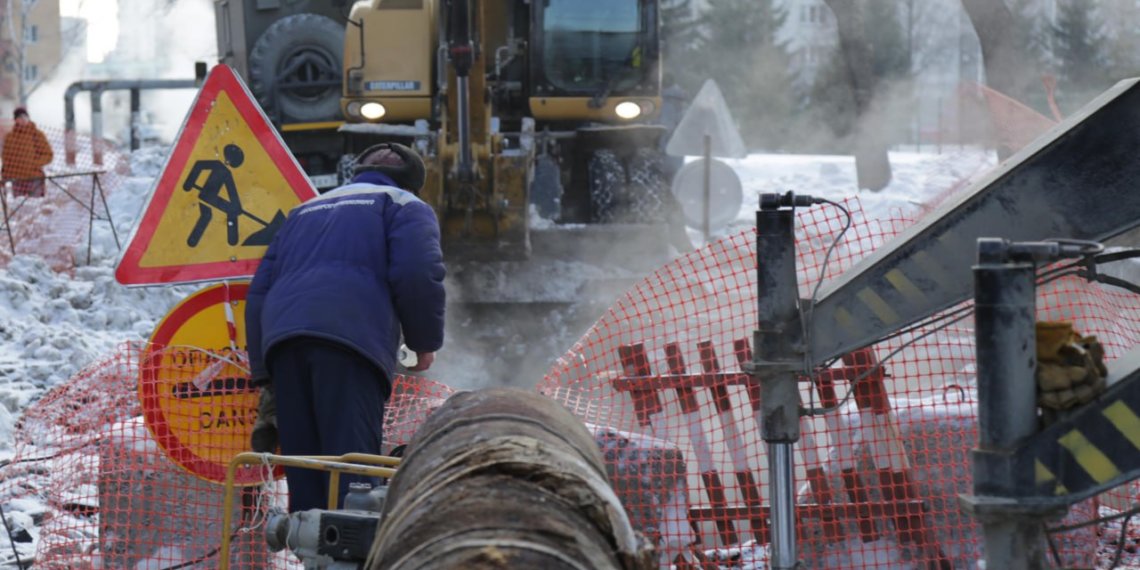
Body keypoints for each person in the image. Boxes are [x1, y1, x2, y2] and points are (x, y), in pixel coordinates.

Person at [245, 142, 446, 513]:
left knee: (304, 470)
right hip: (350, 343)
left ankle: (310, 555)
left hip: (284, 344)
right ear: (412, 182)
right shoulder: (404, 205)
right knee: (352, 470)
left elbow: (258, 293)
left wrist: (263, 370)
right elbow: (418, 274)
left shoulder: (302, 212)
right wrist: (423, 342)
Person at [2, 107, 54, 197]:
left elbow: (48, 154)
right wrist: (4, 176)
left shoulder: (37, 135)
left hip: (34, 177)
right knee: (20, 206)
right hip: (17, 179)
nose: (22, 120)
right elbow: (6, 159)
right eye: (19, 117)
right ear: (15, 120)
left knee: (35, 205)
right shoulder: (9, 137)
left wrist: (34, 164)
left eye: (24, 117)